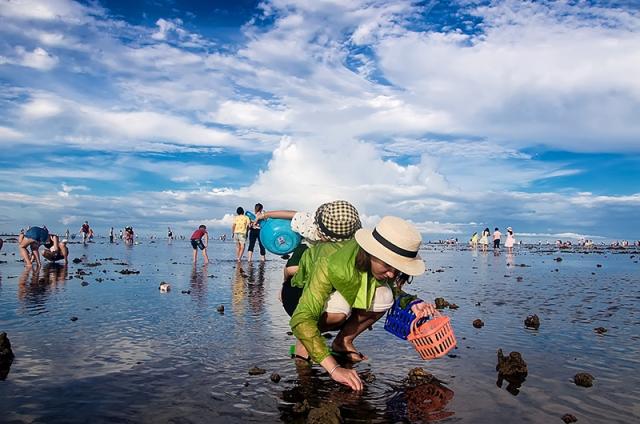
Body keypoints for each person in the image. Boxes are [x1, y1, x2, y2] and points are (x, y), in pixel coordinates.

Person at [290, 216, 431, 391]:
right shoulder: (329, 262)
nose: (392, 275)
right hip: (299, 294)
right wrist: (334, 368)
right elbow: (302, 318)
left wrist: (411, 302)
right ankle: (304, 342)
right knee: (338, 311)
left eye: (398, 269)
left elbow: (385, 287)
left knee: (385, 296)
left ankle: (342, 342)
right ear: (371, 252)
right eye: (388, 265)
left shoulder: (375, 264)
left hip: (341, 287)